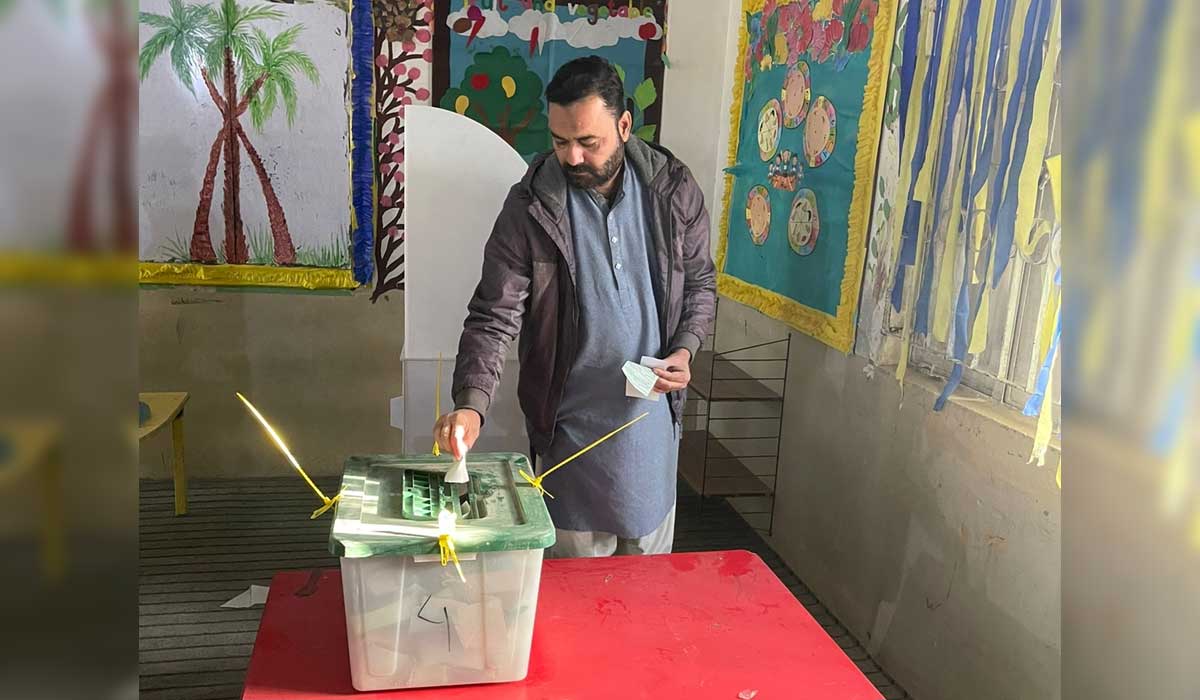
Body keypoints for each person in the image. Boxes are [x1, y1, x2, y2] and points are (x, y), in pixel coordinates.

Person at [433, 56, 716, 558]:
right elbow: (494, 315)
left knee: (647, 592)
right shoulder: (530, 208)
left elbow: (699, 284)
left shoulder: (672, 191)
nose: (573, 158)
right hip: (568, 436)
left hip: (649, 431)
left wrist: (687, 350)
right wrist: (470, 404)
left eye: (589, 142)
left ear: (624, 125)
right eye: (561, 141)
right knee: (576, 599)